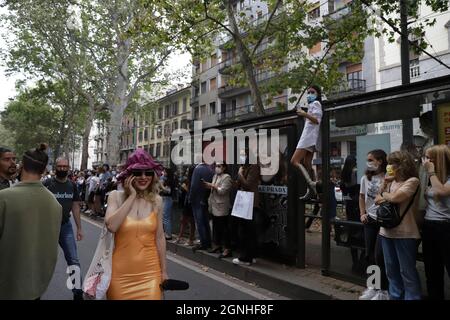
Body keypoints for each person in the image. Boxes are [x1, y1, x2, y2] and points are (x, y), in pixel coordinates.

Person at [0, 144, 62, 299]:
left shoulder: (4, 197)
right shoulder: (55, 203)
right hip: (37, 285)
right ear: (44, 170)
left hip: (7, 285)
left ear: (22, 166)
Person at [105, 149, 167, 300]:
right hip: (119, 276)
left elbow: (159, 238)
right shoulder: (115, 197)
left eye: (148, 173)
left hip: (150, 275)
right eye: (138, 173)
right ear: (129, 175)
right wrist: (131, 196)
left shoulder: (157, 201)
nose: (143, 177)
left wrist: (164, 271)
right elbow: (112, 226)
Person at [374, 150, 421, 300]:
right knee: (391, 270)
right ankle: (395, 296)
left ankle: (412, 297)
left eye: (392, 163)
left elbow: (396, 198)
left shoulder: (412, 181)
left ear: (402, 165)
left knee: (406, 271)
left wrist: (386, 197)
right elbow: (376, 199)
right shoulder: (391, 182)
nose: (389, 166)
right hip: (386, 232)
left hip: (405, 233)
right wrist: (385, 184)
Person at [43, 157, 84, 300]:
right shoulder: (47, 184)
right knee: (42, 261)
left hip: (65, 227)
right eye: (59, 166)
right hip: (47, 228)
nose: (62, 169)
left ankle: (78, 292)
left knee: (73, 260)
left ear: (68, 167)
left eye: (64, 166)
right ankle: (35, 292)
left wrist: (79, 228)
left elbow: (75, 206)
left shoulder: (72, 185)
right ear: (55, 167)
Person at [358, 149, 389, 300]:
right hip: (370, 220)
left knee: (381, 256)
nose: (368, 163)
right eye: (367, 160)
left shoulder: (388, 176)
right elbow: (361, 196)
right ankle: (373, 287)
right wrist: (362, 213)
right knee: (369, 254)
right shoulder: (366, 178)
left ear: (380, 161)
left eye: (371, 160)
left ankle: (383, 290)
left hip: (384, 221)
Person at [422, 145, 450, 300]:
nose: (425, 161)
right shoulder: (431, 177)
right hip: (429, 225)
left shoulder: (442, 177)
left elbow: (442, 191)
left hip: (445, 226)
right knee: (432, 270)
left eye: (428, 157)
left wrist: (431, 172)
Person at [290, 85, 323, 200]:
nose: (309, 94)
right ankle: (313, 189)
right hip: (310, 138)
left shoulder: (316, 104)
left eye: (312, 92)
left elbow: (316, 120)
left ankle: (312, 183)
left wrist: (304, 114)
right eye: (308, 92)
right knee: (307, 164)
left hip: (308, 138)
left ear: (318, 94)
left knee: (294, 161)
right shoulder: (311, 105)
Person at [232, 148, 261, 266]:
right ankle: (251, 255)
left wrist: (239, 174)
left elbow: (248, 184)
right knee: (248, 230)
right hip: (245, 202)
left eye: (243, 155)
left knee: (246, 231)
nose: (242, 157)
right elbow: (239, 184)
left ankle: (246, 258)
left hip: (250, 202)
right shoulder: (245, 167)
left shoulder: (254, 166)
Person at [340, 155, 363, 273]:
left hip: (349, 205)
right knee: (362, 232)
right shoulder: (356, 173)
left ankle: (355, 262)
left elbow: (343, 189)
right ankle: (361, 263)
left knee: (352, 232)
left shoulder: (344, 174)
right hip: (357, 205)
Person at [205, 162, 233, 258]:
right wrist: (208, 186)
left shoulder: (227, 177)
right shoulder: (215, 176)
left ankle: (227, 249)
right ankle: (217, 245)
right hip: (213, 205)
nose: (217, 168)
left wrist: (212, 186)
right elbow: (213, 189)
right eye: (216, 166)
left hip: (222, 206)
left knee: (224, 227)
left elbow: (222, 191)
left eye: (219, 166)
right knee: (216, 226)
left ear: (224, 167)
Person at [189, 159, 214, 252]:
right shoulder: (210, 169)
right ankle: (208, 242)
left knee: (199, 222)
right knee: (206, 222)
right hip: (205, 199)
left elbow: (194, 186)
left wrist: (190, 198)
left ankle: (203, 242)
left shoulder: (197, 169)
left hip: (197, 199)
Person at [176, 166, 196, 246]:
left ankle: (190, 239)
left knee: (191, 221)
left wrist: (186, 189)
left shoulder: (193, 181)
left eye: (188, 171)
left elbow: (192, 194)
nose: (186, 172)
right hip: (186, 203)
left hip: (190, 203)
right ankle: (179, 237)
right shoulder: (187, 180)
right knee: (183, 220)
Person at [160, 168, 176, 240]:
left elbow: (168, 191)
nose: (163, 172)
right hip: (165, 199)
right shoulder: (166, 179)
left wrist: (161, 186)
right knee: (164, 216)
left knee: (166, 217)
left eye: (165, 171)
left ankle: (168, 235)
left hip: (168, 199)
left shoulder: (170, 180)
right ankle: (166, 233)